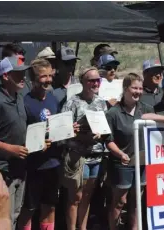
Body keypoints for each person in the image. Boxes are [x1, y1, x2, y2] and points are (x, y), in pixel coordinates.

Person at [105, 73, 164, 230]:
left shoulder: (145, 108)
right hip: (121, 163)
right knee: (120, 201)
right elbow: (108, 140)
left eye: (140, 88)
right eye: (134, 88)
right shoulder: (113, 113)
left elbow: (151, 117)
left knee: (136, 201)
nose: (138, 92)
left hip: (141, 163)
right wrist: (120, 154)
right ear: (125, 88)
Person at [60, 66, 106, 230]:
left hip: (96, 156)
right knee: (75, 197)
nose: (95, 83)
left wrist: (101, 134)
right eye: (91, 80)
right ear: (82, 82)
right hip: (78, 157)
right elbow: (62, 132)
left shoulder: (101, 102)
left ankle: (83, 227)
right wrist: (73, 131)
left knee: (87, 196)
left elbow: (106, 129)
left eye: (97, 80)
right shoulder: (72, 102)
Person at [17, 59, 58, 230]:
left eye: (50, 75)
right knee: (29, 208)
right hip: (33, 165)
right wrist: (36, 143)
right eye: (43, 76)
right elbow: (20, 134)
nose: (48, 80)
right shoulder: (25, 102)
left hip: (53, 162)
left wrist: (69, 129)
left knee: (50, 206)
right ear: (33, 80)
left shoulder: (53, 99)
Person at [0, 55, 30, 230]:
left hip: (20, 166)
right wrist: (9, 148)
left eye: (24, 73)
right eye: (18, 73)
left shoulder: (19, 97)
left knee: (15, 213)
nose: (23, 78)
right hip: (2, 168)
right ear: (5, 76)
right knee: (2, 216)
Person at [52, 46, 80, 110]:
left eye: (73, 62)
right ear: (58, 63)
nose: (71, 66)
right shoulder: (51, 85)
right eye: (67, 63)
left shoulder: (79, 83)